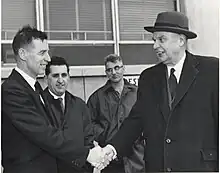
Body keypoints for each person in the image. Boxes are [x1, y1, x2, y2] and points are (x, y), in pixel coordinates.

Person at [101, 11, 219, 172]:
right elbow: (136, 120)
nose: (155, 45)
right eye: (154, 40)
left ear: (181, 40)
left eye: (161, 39)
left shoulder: (212, 71)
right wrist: (111, 149)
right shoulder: (148, 78)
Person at [1, 25, 107, 173]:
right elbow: (44, 134)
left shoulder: (34, 87)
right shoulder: (12, 90)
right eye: (42, 53)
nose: (48, 58)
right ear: (23, 54)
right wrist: (87, 154)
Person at [87, 54, 145, 173]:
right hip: (109, 159)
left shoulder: (137, 93)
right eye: (109, 70)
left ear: (124, 68)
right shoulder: (97, 97)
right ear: (106, 73)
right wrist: (104, 135)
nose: (114, 72)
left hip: (135, 158)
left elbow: (147, 119)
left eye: (117, 67)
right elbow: (88, 124)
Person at [42, 56, 95, 173]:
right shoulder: (39, 104)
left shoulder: (80, 105)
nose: (61, 80)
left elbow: (88, 140)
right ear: (46, 78)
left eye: (64, 75)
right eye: (55, 76)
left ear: (69, 77)